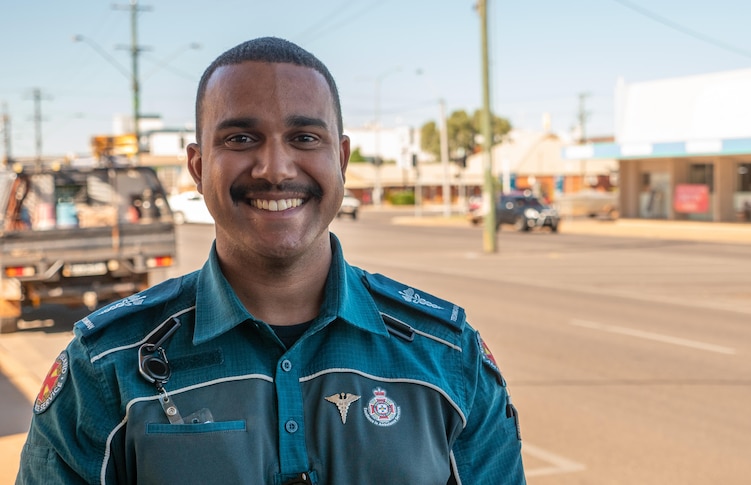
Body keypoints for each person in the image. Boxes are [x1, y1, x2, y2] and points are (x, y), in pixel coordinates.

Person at [16, 37, 525, 484]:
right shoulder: (107, 367)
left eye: (305, 138)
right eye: (241, 139)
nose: (275, 169)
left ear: (342, 160)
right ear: (197, 166)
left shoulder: (447, 358)